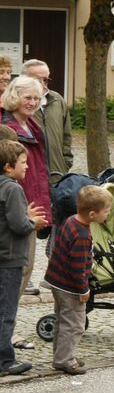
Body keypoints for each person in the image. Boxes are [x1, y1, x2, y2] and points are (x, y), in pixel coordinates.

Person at [43, 185, 112, 375]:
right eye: (106, 211)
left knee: (62, 320)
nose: (108, 214)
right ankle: (65, 359)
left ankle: (61, 356)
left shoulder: (70, 220)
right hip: (70, 286)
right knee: (74, 324)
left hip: (56, 280)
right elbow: (77, 267)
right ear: (92, 213)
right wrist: (84, 290)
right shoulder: (82, 235)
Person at [1, 75, 52, 303]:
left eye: (36, 98)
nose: (32, 102)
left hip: (32, 201)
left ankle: (7, 325)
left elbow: (40, 169)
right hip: (16, 203)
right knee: (18, 269)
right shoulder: (6, 129)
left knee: (26, 268)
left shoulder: (34, 126)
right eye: (27, 97)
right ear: (14, 97)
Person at [0, 138, 48, 376]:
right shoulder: (13, 188)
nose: (27, 166)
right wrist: (33, 221)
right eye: (23, 162)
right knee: (6, 311)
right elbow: (19, 225)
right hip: (10, 259)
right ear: (9, 167)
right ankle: (5, 361)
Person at [21, 59, 73, 176]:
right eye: (38, 80)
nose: (43, 84)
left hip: (57, 173)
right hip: (30, 174)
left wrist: (66, 162)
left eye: (46, 80)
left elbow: (67, 135)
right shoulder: (18, 104)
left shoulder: (57, 100)